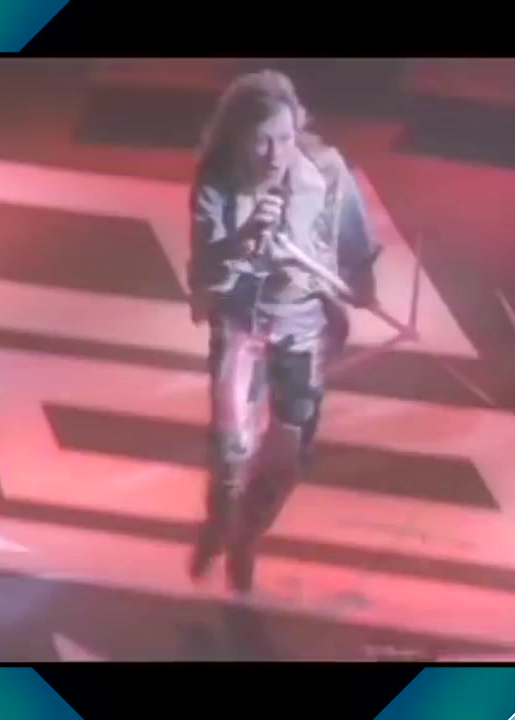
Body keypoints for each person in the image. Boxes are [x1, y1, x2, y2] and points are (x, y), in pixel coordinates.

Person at [186, 70, 381, 594]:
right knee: (230, 448)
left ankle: (245, 540)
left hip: (301, 328)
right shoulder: (217, 181)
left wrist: (361, 281)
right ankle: (218, 520)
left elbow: (355, 241)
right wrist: (244, 239)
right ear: (237, 138)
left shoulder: (326, 169)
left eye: (286, 138)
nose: (276, 154)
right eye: (262, 141)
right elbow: (206, 268)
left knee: (287, 458)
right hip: (239, 326)